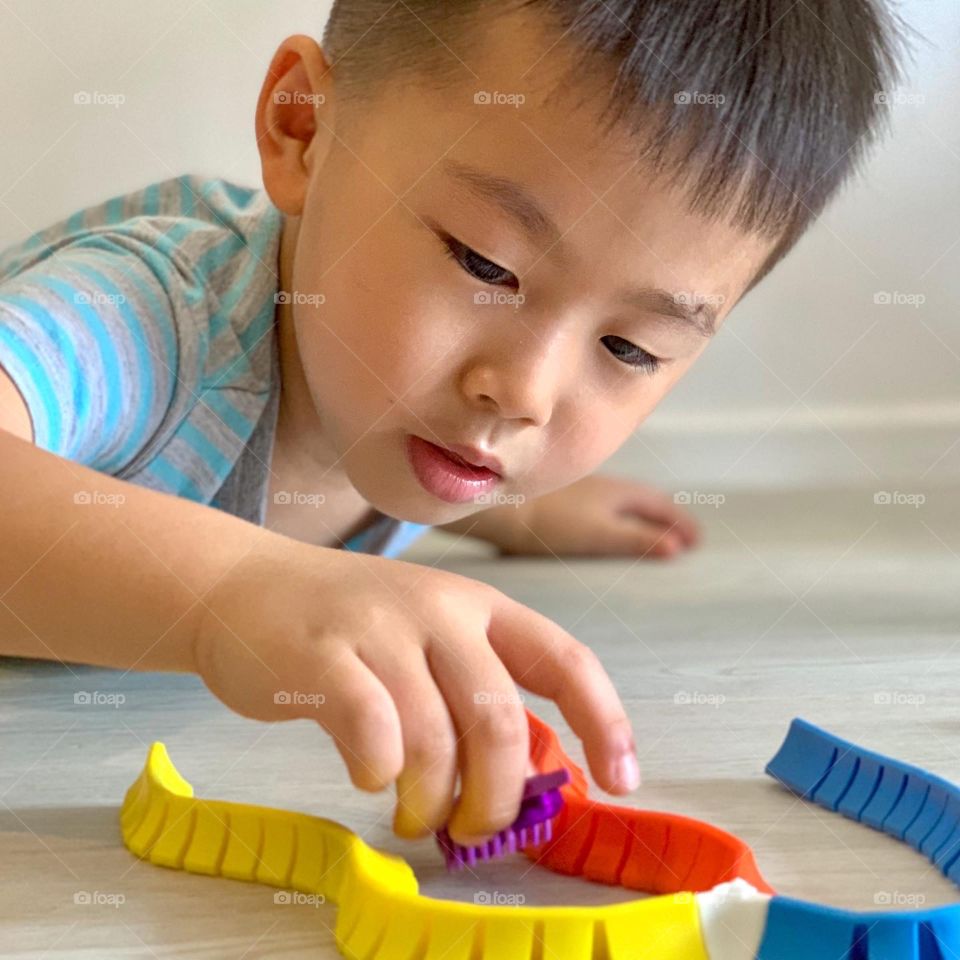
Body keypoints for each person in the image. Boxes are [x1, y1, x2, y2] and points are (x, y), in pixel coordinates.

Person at [0, 0, 909, 848]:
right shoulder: (154, 319)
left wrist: (513, 510)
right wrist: (232, 594)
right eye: (485, 262)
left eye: (630, 348)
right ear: (304, 130)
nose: (524, 393)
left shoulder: (401, 407)